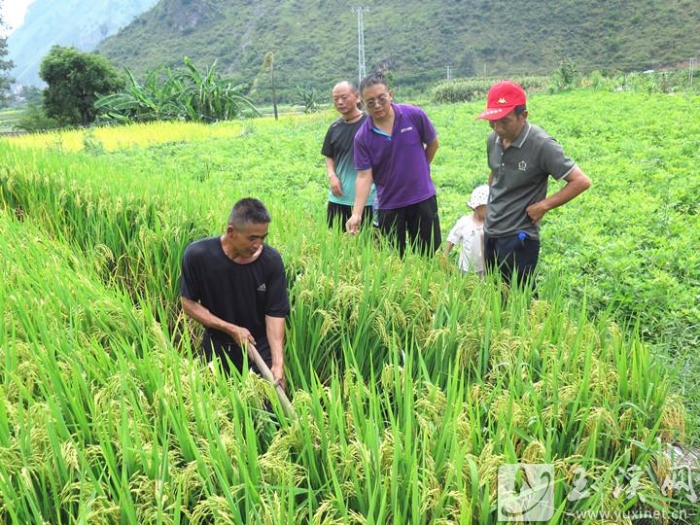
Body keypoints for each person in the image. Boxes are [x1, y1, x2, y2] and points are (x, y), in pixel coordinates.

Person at [477, 80, 591, 287]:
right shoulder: (492, 139)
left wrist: (544, 205)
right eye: (493, 122)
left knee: (520, 296)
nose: (497, 128)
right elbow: (495, 173)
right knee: (495, 292)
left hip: (519, 234)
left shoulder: (542, 144)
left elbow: (580, 181)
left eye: (505, 121)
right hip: (491, 230)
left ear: (523, 116)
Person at [180, 198, 290, 385]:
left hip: (258, 346)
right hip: (217, 345)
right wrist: (231, 329)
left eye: (263, 238)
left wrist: (278, 362)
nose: (258, 244)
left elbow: (275, 313)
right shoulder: (198, 256)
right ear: (231, 232)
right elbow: (188, 304)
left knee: (271, 406)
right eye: (252, 238)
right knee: (217, 404)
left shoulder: (271, 261)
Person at [346, 71, 441, 256]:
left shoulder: (413, 115)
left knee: (428, 254)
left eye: (381, 98)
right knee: (395, 258)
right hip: (389, 204)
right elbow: (364, 176)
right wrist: (356, 213)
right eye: (370, 102)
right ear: (363, 104)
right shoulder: (363, 136)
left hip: (422, 198)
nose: (377, 105)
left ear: (391, 94)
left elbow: (433, 143)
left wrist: (422, 167)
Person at [321, 80, 377, 228]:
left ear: (357, 97)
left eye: (344, 97)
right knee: (336, 243)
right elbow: (329, 155)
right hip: (338, 198)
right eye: (335, 98)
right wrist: (332, 176)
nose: (339, 102)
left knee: (367, 246)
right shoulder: (334, 127)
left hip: (368, 199)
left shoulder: (371, 124)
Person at [443, 184, 489, 277]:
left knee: (481, 288)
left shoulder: (489, 224)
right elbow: (452, 238)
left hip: (483, 268)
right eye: (487, 206)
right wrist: (445, 254)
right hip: (465, 268)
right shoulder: (464, 222)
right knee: (465, 286)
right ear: (477, 206)